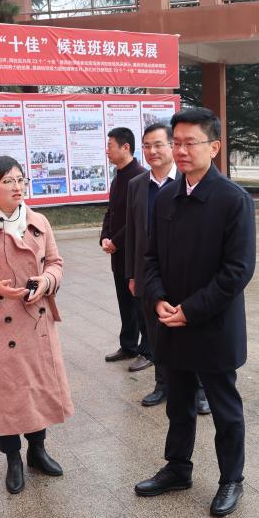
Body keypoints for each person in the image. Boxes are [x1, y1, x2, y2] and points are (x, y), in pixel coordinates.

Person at [134, 107, 256, 517]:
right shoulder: (167, 196)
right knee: (178, 403)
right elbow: (150, 257)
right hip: (171, 321)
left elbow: (238, 272)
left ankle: (231, 479)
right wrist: (157, 298)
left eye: (190, 143)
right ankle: (177, 467)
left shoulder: (233, 200)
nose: (181, 151)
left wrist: (191, 310)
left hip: (213, 325)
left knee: (225, 409)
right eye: (177, 143)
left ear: (214, 147)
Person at [0, 156, 74, 494]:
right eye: (7, 181)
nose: (17, 187)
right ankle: (13, 460)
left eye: (20, 180)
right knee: (6, 395)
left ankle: (38, 451)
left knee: (36, 388)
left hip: (36, 323)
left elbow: (55, 263)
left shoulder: (39, 221)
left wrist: (46, 282)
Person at [124, 123, 211, 414]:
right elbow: (133, 232)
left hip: (182, 273)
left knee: (191, 331)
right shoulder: (136, 185)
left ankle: (199, 389)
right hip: (149, 273)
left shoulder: (187, 183)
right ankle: (162, 384)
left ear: (172, 146)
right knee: (155, 332)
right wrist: (132, 274)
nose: (152, 151)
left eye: (159, 144)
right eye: (147, 146)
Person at [101, 127, 149, 367]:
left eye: (110, 146)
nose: (107, 151)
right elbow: (111, 212)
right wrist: (104, 236)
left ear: (126, 147)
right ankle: (129, 345)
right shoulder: (118, 176)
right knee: (124, 302)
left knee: (140, 304)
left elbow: (137, 219)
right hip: (118, 253)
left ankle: (148, 351)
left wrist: (116, 241)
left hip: (134, 253)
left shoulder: (141, 177)